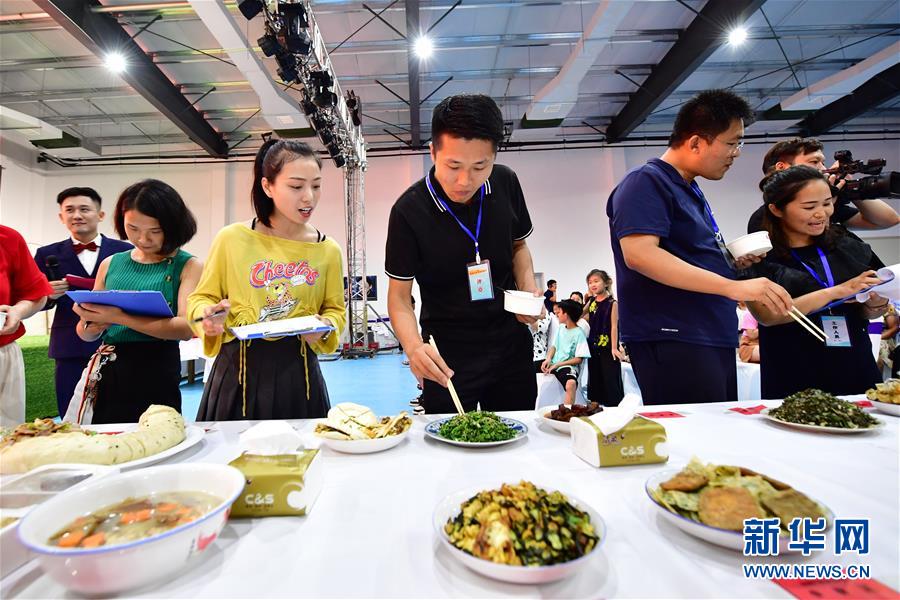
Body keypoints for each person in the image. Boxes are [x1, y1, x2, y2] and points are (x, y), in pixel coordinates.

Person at [606, 89, 793, 405]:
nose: (736, 153)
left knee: (716, 429)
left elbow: (685, 255)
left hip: (706, 332)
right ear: (695, 142)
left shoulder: (688, 188)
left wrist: (729, 261)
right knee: (694, 430)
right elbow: (640, 255)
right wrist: (732, 287)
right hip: (674, 334)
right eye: (732, 143)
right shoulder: (646, 181)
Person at [385, 94, 541, 413]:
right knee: (448, 438)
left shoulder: (506, 182)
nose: (464, 181)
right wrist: (413, 348)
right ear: (433, 152)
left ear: (494, 157)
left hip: (510, 341)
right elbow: (399, 297)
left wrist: (527, 288)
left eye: (480, 166)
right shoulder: (408, 211)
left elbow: (518, 246)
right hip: (447, 353)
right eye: (453, 166)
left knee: (520, 432)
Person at [189, 139, 346, 420]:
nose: (309, 197)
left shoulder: (327, 249)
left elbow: (335, 311)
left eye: (316, 185)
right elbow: (202, 298)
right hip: (237, 375)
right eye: (296, 187)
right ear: (267, 186)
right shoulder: (232, 239)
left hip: (298, 377)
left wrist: (325, 329)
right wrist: (207, 318)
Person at [745, 166, 887, 398]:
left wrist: (875, 303)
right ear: (776, 209)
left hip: (855, 363)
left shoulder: (845, 243)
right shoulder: (759, 255)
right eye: (809, 207)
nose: (821, 213)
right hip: (794, 370)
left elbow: (871, 308)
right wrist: (837, 292)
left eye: (827, 203)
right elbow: (768, 315)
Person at [72, 180, 201, 424]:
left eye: (155, 231)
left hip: (158, 368)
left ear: (173, 226)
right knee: (107, 437)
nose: (143, 239)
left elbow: (185, 328)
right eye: (132, 228)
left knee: (157, 434)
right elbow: (85, 333)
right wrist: (91, 323)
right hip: (111, 367)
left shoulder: (188, 265)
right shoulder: (111, 263)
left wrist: (117, 317)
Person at [33, 187, 132, 417]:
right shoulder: (46, 254)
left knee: (119, 411)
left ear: (100, 215)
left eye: (84, 209)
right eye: (69, 210)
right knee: (71, 411)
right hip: (69, 344)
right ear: (61, 217)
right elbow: (33, 299)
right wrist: (48, 295)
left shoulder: (124, 251)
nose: (77, 215)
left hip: (117, 339)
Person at [747, 137, 899, 233]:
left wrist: (849, 188)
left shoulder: (832, 204)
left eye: (823, 162)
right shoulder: (764, 217)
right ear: (782, 167)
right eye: (814, 162)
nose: (822, 168)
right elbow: (815, 244)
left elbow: (889, 220)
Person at [0, 225, 53, 427]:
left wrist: (18, 311)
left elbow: (36, 294)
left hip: (3, 351)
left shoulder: (8, 238)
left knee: (7, 434)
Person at [583, 269, 624, 406]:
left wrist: (614, 347)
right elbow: (580, 313)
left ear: (606, 283)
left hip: (607, 347)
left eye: (596, 281)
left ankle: (614, 407)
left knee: (610, 378)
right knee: (595, 376)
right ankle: (595, 407)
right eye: (590, 282)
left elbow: (614, 327)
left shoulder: (612, 303)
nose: (592, 285)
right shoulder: (592, 301)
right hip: (593, 345)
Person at [541, 299, 590, 406]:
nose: (557, 314)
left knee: (571, 384)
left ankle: (567, 412)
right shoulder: (561, 328)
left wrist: (558, 364)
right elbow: (554, 347)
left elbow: (579, 359)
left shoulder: (579, 334)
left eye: (559, 312)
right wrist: (548, 359)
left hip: (567, 366)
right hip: (553, 364)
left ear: (566, 314)